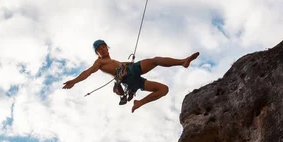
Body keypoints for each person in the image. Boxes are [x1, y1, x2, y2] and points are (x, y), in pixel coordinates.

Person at [62, 39, 200, 113]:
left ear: (107, 47)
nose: (102, 49)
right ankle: (182, 62)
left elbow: (123, 64)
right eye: (99, 49)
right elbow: (88, 72)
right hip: (127, 76)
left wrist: (129, 62)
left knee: (163, 89)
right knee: (155, 60)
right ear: (97, 53)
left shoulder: (115, 61)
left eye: (103, 46)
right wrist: (74, 81)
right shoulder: (99, 62)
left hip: (132, 80)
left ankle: (139, 103)